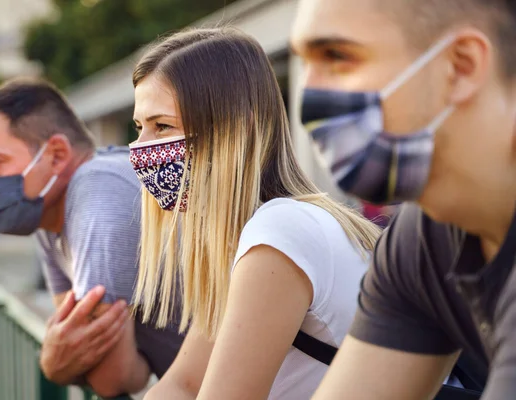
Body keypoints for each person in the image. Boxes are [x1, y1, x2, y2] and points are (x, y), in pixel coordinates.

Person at [128, 27, 381, 399]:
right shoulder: (255, 233)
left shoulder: (280, 231)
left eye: (162, 125)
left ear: (237, 127)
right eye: (139, 127)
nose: (139, 148)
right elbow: (183, 384)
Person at [291, 0, 515, 398]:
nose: (308, 96)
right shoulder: (427, 236)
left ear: (461, 65)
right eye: (305, 62)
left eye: (337, 56)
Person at [0, 79, 185, 397]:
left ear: (58, 154)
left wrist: (52, 364)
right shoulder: (46, 218)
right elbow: (76, 337)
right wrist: (62, 358)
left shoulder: (99, 191)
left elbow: (111, 378)